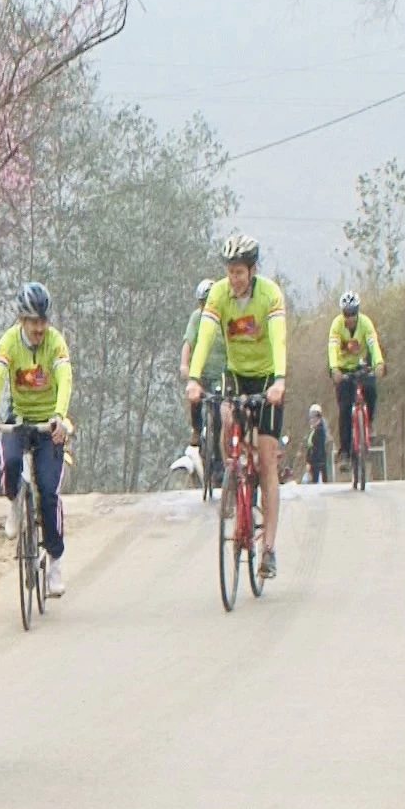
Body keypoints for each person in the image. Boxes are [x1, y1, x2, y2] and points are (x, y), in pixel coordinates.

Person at [185, 233, 288, 578]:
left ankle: (268, 549)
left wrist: (279, 380)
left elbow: (279, 338)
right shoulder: (219, 294)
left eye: (240, 272)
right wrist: (194, 378)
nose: (234, 278)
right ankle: (234, 472)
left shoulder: (269, 295)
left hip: (267, 378)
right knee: (226, 415)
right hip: (235, 374)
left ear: (252, 270)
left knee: (268, 460)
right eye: (230, 271)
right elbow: (205, 337)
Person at [0, 282, 74, 597]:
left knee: (48, 493)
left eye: (43, 320)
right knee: (9, 461)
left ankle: (55, 563)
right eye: (33, 321)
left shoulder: (55, 342)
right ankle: (14, 502)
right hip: (20, 418)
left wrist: (60, 415)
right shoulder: (9, 341)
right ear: (21, 320)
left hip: (50, 424)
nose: (39, 328)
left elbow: (64, 378)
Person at [327, 290, 386, 464]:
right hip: (343, 369)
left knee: (371, 390)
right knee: (345, 407)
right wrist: (334, 368)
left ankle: (369, 423)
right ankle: (345, 452)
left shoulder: (366, 323)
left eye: (353, 314)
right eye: (346, 314)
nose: (350, 318)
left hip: (362, 366)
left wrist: (379, 363)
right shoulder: (336, 325)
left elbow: (373, 344)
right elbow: (332, 348)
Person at [181, 278, 224, 450]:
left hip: (220, 375)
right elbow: (188, 342)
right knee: (195, 398)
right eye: (202, 303)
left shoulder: (225, 319)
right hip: (200, 373)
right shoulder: (197, 318)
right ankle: (197, 430)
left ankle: (218, 448)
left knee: (220, 410)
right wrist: (185, 365)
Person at [306, 404, 328, 484]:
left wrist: (311, 461)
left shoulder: (320, 430)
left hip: (318, 463)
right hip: (314, 462)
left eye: (314, 416)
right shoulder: (314, 430)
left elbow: (318, 448)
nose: (312, 419)